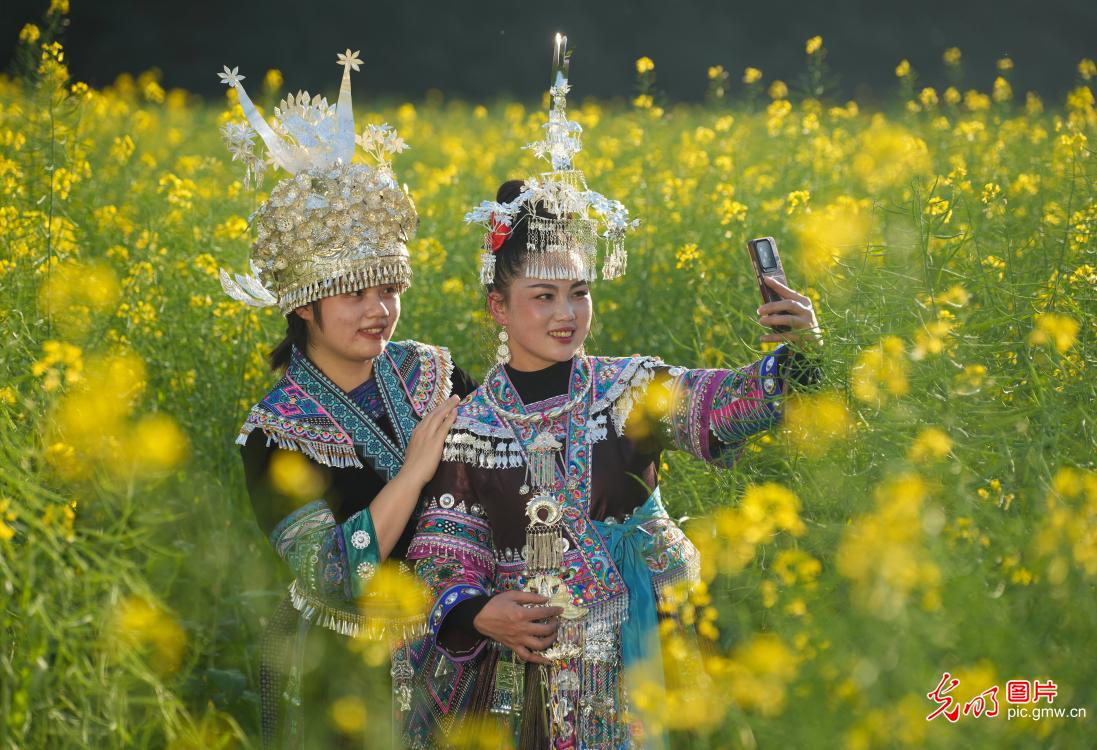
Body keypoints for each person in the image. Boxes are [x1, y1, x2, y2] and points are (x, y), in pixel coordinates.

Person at [401, 38, 822, 749]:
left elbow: (731, 403)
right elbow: (446, 553)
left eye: (578, 292)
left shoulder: (630, 386)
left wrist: (801, 352)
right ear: (498, 309)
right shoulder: (468, 425)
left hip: (654, 653)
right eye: (542, 296)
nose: (566, 314)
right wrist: (478, 613)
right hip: (529, 675)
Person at [215, 51, 476, 748]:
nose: (378, 311)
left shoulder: (433, 372)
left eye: (388, 289)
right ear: (303, 305)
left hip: (460, 639)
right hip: (343, 667)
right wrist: (415, 471)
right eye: (354, 293)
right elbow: (331, 575)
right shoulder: (274, 433)